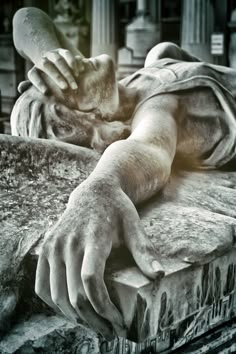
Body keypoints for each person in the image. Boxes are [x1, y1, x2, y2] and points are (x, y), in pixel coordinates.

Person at [11, 7, 236, 340]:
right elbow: (151, 149)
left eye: (51, 82)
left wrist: (50, 56)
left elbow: (25, 18)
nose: (62, 80)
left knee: (161, 52)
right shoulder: (157, 108)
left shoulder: (136, 78)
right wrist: (101, 187)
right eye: (60, 103)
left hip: (169, 70)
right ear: (98, 124)